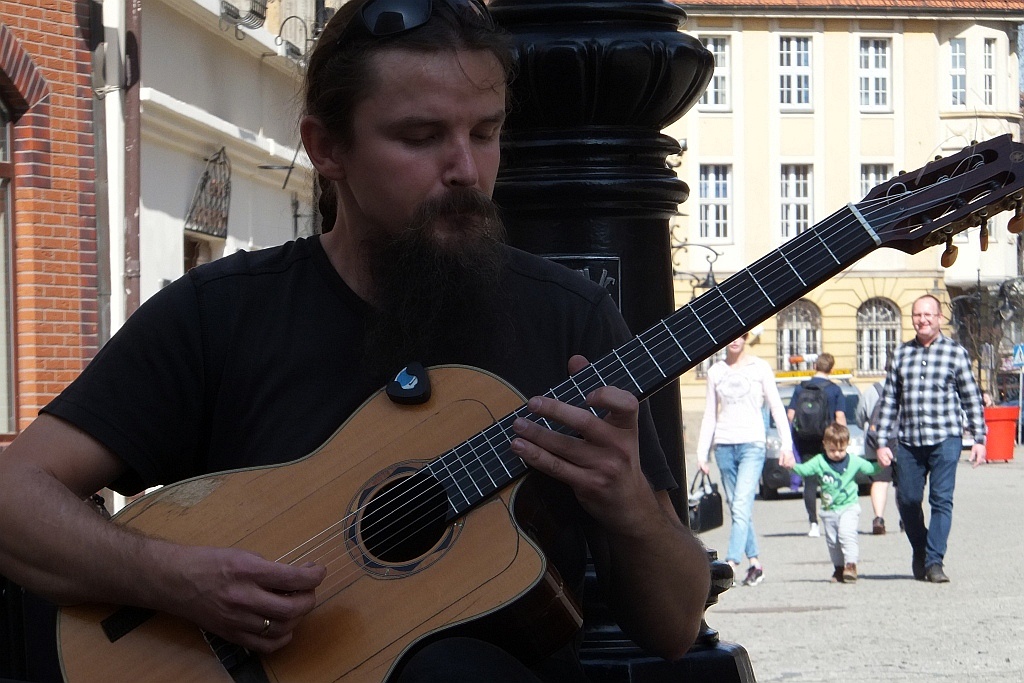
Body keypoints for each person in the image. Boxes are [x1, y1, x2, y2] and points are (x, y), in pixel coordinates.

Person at [0, 2, 711, 681]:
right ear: (327, 148)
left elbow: (676, 628)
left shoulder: (571, 320)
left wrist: (631, 506)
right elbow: (15, 496)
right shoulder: (222, 314)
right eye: (420, 137)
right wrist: (176, 579)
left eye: (486, 132)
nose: (465, 169)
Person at [875, 294, 986, 584]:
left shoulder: (955, 353)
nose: (922, 320)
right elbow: (889, 400)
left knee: (941, 500)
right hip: (910, 441)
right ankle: (921, 550)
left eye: (928, 315)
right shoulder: (901, 354)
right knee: (908, 500)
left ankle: (935, 561)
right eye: (917, 315)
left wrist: (978, 437)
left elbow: (971, 397)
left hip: (945, 439)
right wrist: (882, 442)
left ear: (939, 318)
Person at [697, 333, 793, 587]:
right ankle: (755, 563)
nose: (735, 340)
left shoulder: (760, 367)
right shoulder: (716, 371)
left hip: (753, 443)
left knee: (740, 504)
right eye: (730, 335)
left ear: (747, 337)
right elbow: (710, 413)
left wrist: (787, 444)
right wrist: (701, 451)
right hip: (724, 445)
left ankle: (730, 563)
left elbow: (776, 406)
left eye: (741, 335)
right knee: (738, 507)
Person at [781, 423, 881, 583]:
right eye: (832, 450)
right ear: (825, 445)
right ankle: (839, 568)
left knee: (847, 534)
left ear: (847, 445)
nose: (837, 454)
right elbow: (805, 470)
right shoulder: (820, 461)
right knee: (833, 542)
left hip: (849, 506)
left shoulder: (854, 461)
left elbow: (870, 468)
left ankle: (851, 565)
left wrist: (882, 463)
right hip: (828, 510)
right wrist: (792, 467)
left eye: (841, 450)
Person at [786, 352, 847, 538]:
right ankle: (834, 517)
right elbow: (840, 417)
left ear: (815, 367)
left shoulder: (801, 388)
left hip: (805, 439)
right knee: (832, 478)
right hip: (828, 440)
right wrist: (843, 441)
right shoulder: (835, 390)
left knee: (810, 482)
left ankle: (813, 523)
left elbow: (790, 415)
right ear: (831, 369)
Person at [856, 361, 894, 535]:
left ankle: (878, 517)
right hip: (902, 441)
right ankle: (906, 519)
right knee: (905, 483)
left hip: (876, 441)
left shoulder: (872, 390)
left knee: (879, 481)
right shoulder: (909, 388)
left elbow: (860, 417)